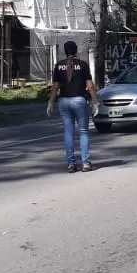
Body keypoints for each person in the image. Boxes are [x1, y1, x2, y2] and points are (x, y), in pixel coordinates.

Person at [47, 40, 99, 173]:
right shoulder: (83, 65)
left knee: (68, 133)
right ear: (76, 50)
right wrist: (95, 102)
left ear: (65, 51)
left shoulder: (59, 66)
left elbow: (55, 87)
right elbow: (90, 85)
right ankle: (86, 163)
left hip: (64, 101)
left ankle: (71, 164)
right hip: (79, 100)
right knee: (83, 132)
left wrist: (50, 102)